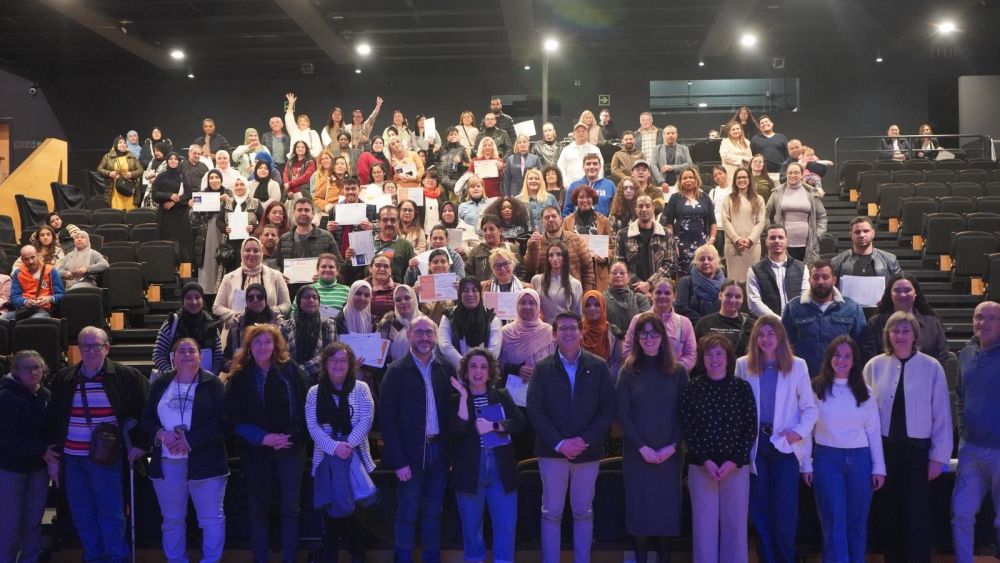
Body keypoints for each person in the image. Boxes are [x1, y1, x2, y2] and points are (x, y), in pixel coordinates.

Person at [44, 326, 150, 563]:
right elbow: (52, 418)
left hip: (106, 458)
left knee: (110, 511)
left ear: (107, 348)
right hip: (72, 458)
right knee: (82, 512)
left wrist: (142, 444)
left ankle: (115, 557)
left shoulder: (126, 377)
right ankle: (93, 556)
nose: (90, 351)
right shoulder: (64, 378)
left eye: (95, 346)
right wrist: (51, 452)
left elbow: (148, 410)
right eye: (85, 346)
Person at [527, 311, 616, 563]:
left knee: (584, 512)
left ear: (581, 332)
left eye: (572, 328)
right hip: (552, 452)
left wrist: (584, 440)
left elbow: (608, 408)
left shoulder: (598, 366)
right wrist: (559, 443)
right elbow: (535, 410)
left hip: (587, 452)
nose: (568, 333)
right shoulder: (542, 368)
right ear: (554, 335)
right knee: (551, 513)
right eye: (562, 329)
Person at [864, 311, 952, 563]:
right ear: (887, 335)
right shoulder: (874, 366)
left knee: (916, 516)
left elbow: (942, 414)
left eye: (905, 331)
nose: (900, 336)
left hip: (918, 453)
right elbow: (864, 413)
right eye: (895, 331)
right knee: (889, 514)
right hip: (884, 452)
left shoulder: (931, 367)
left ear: (915, 335)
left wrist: (938, 457)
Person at [736, 315, 818, 563]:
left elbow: (810, 409)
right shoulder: (743, 365)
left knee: (785, 514)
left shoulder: (797, 365)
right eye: (761, 334)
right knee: (760, 512)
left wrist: (798, 432)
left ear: (780, 336)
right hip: (756, 446)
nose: (766, 339)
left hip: (784, 446)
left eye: (771, 333)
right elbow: (738, 407)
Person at [225, 324, 309, 563]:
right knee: (258, 509)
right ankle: (260, 558)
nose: (262, 347)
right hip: (256, 451)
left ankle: (289, 558)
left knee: (290, 509)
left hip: (290, 447)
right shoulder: (239, 375)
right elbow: (233, 417)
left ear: (275, 345)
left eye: (267, 342)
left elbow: (306, 407)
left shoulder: (290, 370)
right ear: (249, 346)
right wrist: (263, 438)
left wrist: (288, 437)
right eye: (257, 342)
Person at [142, 338, 228, 563]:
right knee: (172, 520)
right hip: (167, 462)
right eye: (181, 351)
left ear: (201, 357)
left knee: (211, 519)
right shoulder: (161, 383)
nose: (187, 354)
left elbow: (223, 422)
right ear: (173, 357)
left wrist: (190, 441)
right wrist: (161, 434)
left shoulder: (213, 384)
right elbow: (147, 419)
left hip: (206, 462)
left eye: (192, 351)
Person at [802, 336, 885, 563]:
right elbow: (807, 430)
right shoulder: (816, 389)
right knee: (833, 521)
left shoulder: (865, 392)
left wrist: (879, 467)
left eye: (847, 356)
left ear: (854, 360)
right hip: (827, 459)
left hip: (860, 460)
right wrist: (806, 463)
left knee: (857, 522)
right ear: (829, 358)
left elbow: (873, 431)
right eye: (837, 355)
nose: (841, 360)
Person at [378, 315, 455, 562]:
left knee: (434, 513)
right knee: (407, 514)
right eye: (419, 332)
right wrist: (398, 461)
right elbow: (386, 420)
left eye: (429, 333)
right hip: (409, 455)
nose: (424, 337)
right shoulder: (396, 371)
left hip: (439, 453)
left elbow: (451, 414)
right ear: (409, 335)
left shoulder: (445, 369)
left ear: (436, 336)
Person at [616, 312, 687, 563]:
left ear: (662, 336)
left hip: (670, 455)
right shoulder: (627, 371)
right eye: (643, 333)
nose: (648, 338)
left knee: (667, 511)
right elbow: (623, 414)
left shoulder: (678, 371)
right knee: (640, 511)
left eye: (654, 333)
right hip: (638, 454)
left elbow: (685, 414)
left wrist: (673, 446)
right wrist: (641, 447)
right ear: (636, 338)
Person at [680, 334, 757, 563]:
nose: (714, 359)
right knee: (703, 528)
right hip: (702, 467)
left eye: (718, 354)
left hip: (735, 468)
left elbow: (750, 429)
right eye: (709, 354)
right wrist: (706, 461)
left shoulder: (741, 388)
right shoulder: (693, 388)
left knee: (736, 526)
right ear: (702, 358)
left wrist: (733, 461)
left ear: (728, 357)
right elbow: (688, 428)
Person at [449, 347, 526, 563]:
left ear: (490, 372)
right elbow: (457, 431)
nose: (478, 371)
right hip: (468, 471)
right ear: (465, 372)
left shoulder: (501, 395)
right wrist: (464, 398)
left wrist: (495, 426)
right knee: (471, 530)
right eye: (473, 366)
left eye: (483, 367)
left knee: (506, 527)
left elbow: (520, 424)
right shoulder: (455, 399)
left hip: (501, 471)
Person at [306, 342, 375, 563]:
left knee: (358, 522)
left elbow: (366, 420)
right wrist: (335, 447)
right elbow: (312, 426)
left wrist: (349, 444)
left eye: (342, 360)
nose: (338, 364)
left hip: (356, 460)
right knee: (330, 523)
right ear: (325, 363)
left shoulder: (362, 388)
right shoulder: (314, 392)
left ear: (350, 364)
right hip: (326, 463)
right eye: (333, 360)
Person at [952, 301, 1000, 563]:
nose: (984, 322)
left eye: (992, 318)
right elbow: (960, 396)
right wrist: (962, 427)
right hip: (970, 449)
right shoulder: (965, 354)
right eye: (979, 317)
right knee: (961, 514)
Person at [0, 350, 50, 563]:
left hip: (38, 468)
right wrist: (42, 450)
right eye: (27, 368)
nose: (33, 372)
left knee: (33, 521)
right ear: (16, 371)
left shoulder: (45, 394)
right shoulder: (5, 396)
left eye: (36, 367)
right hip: (11, 469)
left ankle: (30, 559)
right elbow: (7, 438)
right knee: (10, 524)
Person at [782, 259, 867, 375]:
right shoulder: (793, 308)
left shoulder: (852, 308)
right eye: (815, 277)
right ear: (809, 280)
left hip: (841, 377)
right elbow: (784, 346)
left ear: (834, 280)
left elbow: (861, 346)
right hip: (804, 377)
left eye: (825, 277)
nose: (820, 281)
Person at [865, 274, 950, 364]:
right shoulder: (875, 323)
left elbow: (943, 358)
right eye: (897, 291)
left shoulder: (933, 324)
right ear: (890, 294)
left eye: (907, 290)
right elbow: (870, 360)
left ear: (915, 293)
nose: (902, 295)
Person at [624, 278, 698, 372]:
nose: (662, 296)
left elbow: (691, 355)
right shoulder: (637, 320)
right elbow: (628, 351)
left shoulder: (685, 323)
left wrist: (673, 370)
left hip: (674, 377)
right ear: (652, 295)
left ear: (674, 296)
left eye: (667, 293)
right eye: (658, 292)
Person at [214, 237, 292, 327]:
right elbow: (217, 307)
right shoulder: (229, 278)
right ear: (241, 252)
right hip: (237, 329)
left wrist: (272, 312)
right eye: (247, 250)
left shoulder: (276, 275)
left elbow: (287, 305)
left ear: (261, 253)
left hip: (269, 329)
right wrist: (234, 316)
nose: (251, 254)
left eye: (256, 250)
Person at [152, 282, 224, 376]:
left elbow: (218, 357)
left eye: (197, 297)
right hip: (176, 380)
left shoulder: (212, 324)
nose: (194, 302)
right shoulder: (171, 323)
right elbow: (158, 354)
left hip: (206, 381)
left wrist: (210, 378)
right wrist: (172, 376)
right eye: (188, 298)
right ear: (182, 301)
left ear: (202, 300)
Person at [765, 163, 827, 264]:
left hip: (808, 245)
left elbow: (822, 216)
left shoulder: (811, 192)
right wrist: (770, 231)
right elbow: (766, 213)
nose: (793, 175)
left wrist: (817, 235)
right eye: (790, 173)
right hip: (782, 244)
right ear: (786, 174)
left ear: (802, 175)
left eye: (796, 173)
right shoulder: (777, 192)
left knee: (806, 272)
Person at [524, 206, 596, 290]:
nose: (551, 219)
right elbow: (530, 269)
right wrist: (532, 248)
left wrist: (586, 293)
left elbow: (588, 270)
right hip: (546, 292)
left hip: (573, 291)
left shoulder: (576, 240)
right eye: (547, 217)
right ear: (542, 222)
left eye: (554, 216)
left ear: (561, 219)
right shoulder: (536, 242)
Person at [439, 276, 503, 369]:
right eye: (465, 290)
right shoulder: (449, 316)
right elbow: (445, 346)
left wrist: (477, 368)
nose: (470, 294)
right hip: (456, 371)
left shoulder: (491, 318)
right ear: (460, 293)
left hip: (483, 372)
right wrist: (465, 366)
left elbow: (494, 350)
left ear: (480, 293)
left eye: (474, 290)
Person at [747, 225, 809, 320]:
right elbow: (754, 303)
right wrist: (778, 321)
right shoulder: (755, 270)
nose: (777, 241)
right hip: (768, 324)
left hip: (796, 322)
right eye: (772, 238)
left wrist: (791, 321)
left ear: (786, 241)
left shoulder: (802, 268)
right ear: (766, 242)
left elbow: (805, 298)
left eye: (780, 237)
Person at [662, 168, 717, 275]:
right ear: (680, 181)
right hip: (681, 245)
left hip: (703, 244)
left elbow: (713, 222)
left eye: (691, 177)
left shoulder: (705, 197)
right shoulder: (675, 198)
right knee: (684, 276)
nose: (688, 180)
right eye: (685, 178)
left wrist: (712, 240)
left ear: (696, 179)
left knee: (703, 274)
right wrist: (673, 244)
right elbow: (669, 223)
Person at [282, 285, 338, 383]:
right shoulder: (286, 326)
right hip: (292, 381)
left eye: (315, 297)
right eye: (306, 297)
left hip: (320, 380)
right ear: (299, 301)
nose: (311, 300)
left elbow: (329, 353)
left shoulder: (328, 324)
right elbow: (283, 354)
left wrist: (300, 371)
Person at [563, 184, 614, 291]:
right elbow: (562, 244)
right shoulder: (567, 221)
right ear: (576, 200)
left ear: (593, 199)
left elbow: (611, 247)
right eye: (581, 197)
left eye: (588, 197)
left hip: (598, 271)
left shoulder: (604, 221)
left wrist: (605, 258)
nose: (585, 200)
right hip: (575, 271)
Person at [346, 205, 415, 284]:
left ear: (398, 222)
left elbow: (411, 275)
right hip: (368, 289)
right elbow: (354, 273)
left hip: (394, 290)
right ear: (379, 223)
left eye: (393, 220)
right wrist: (348, 260)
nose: (389, 223)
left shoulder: (405, 245)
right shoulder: (366, 241)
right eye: (385, 220)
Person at [722, 167, 766, 283]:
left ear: (749, 180)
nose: (742, 180)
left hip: (752, 246)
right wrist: (736, 239)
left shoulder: (759, 199)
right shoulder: (728, 199)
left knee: (752, 281)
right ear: (735, 181)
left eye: (744, 177)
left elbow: (761, 222)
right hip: (733, 246)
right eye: (739, 178)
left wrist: (750, 239)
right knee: (734, 282)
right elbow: (725, 221)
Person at [831, 217, 902, 286]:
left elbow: (900, 287)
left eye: (866, 231)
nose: (862, 235)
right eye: (857, 232)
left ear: (873, 233)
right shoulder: (837, 262)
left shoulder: (890, 260)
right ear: (851, 235)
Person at [152, 152, 195, 262]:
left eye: (176, 159)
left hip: (181, 214)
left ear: (179, 161)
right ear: (167, 161)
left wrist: (175, 202)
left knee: (183, 244)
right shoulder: (161, 176)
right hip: (165, 215)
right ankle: (166, 268)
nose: (173, 161)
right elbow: (155, 194)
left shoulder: (184, 176)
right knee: (166, 243)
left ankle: (184, 270)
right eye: (170, 158)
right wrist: (169, 195)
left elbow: (189, 194)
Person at [190, 169, 228, 291]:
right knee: (208, 262)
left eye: (217, 177)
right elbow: (193, 220)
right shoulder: (202, 195)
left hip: (224, 233)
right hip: (206, 234)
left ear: (221, 179)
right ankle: (206, 293)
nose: (214, 180)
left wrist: (229, 201)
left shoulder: (228, 193)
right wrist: (193, 208)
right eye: (211, 178)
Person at [696, 280, 752, 357]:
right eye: (728, 295)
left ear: (742, 299)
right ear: (720, 295)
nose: (733, 300)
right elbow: (696, 353)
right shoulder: (704, 323)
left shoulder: (751, 325)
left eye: (737, 296)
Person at [6, 245, 64, 321]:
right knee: (2, 319)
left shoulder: (51, 271)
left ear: (38, 256)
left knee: (32, 321)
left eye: (32, 257)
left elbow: (61, 295)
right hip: (25, 309)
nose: (30, 261)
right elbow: (14, 297)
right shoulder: (18, 273)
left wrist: (49, 299)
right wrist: (25, 302)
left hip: (45, 309)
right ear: (22, 260)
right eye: (26, 259)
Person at [217, 177, 263, 274]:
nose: (239, 187)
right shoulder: (227, 202)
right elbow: (219, 220)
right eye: (236, 185)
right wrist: (225, 228)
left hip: (249, 243)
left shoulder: (255, 202)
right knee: (230, 271)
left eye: (242, 185)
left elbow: (263, 222)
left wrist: (253, 227)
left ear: (246, 186)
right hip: (230, 244)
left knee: (246, 270)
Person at [279, 199, 342, 267]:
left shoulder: (327, 237)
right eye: (299, 210)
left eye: (307, 210)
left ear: (313, 214)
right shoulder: (284, 239)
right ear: (293, 213)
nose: (303, 213)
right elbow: (277, 265)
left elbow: (339, 264)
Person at [675, 244, 727, 325]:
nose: (706, 262)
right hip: (693, 327)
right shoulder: (685, 282)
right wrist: (704, 323)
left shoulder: (726, 285)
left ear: (717, 262)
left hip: (721, 326)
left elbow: (730, 309)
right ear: (696, 262)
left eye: (710, 259)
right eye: (702, 259)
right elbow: (680, 308)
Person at [531, 242, 583, 320]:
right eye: (551, 255)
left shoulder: (575, 284)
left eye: (559, 254)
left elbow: (577, 315)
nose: (554, 259)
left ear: (565, 257)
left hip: (565, 326)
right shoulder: (536, 280)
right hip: (542, 326)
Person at [377, 284, 422, 366]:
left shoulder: (425, 323)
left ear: (414, 299)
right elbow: (378, 356)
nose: (403, 302)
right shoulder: (386, 325)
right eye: (398, 300)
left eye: (407, 298)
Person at [465, 216, 520, 282]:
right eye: (485, 230)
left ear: (500, 230)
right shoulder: (476, 251)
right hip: (483, 287)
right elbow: (468, 274)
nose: (488, 233)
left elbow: (521, 272)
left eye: (491, 229)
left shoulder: (511, 249)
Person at [603, 261, 651, 335]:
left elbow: (645, 324)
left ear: (628, 277)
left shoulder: (640, 299)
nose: (618, 275)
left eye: (622, 273)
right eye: (614, 273)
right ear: (609, 277)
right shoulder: (601, 299)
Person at [98, 135, 143, 210]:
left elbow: (141, 170)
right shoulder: (108, 156)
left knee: (129, 212)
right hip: (114, 189)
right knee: (116, 211)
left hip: (128, 188)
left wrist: (132, 174)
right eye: (120, 143)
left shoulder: (132, 156)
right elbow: (99, 169)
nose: (123, 144)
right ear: (116, 145)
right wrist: (109, 173)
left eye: (124, 143)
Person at [563, 153, 616, 217]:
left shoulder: (609, 185)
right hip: (578, 223)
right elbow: (567, 211)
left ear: (600, 166)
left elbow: (616, 209)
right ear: (583, 167)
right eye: (588, 164)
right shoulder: (574, 186)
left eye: (595, 164)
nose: (591, 167)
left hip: (603, 222)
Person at [750, 116, 789, 181]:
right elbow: (752, 156)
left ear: (772, 124)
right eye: (762, 123)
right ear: (759, 127)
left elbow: (787, 155)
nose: (764, 124)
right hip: (761, 174)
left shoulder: (782, 137)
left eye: (766, 121)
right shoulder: (755, 139)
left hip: (780, 174)